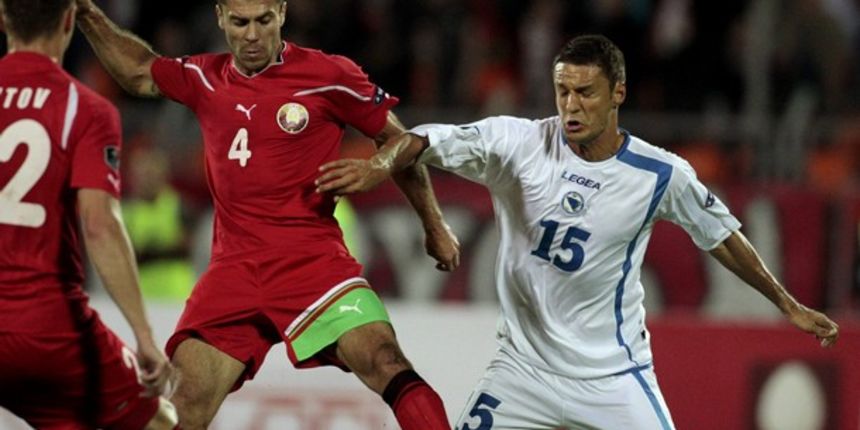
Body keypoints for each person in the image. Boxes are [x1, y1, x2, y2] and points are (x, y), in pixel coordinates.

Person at [315, 34, 841, 429]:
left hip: (613, 378)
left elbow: (722, 236)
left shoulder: (660, 175)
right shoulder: (518, 144)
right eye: (562, 91)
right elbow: (427, 139)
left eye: (586, 93)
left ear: (618, 93)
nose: (571, 106)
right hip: (523, 371)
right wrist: (380, 165)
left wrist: (786, 303)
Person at [73, 0, 460, 428]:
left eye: (263, 21)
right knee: (181, 405)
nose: (252, 35)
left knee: (385, 360)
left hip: (312, 264)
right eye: (240, 23)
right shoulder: (204, 76)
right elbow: (138, 70)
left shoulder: (329, 75)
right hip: (233, 273)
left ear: (282, 13)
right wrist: (88, 14)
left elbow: (401, 142)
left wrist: (430, 220)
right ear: (220, 17)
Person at [0, 0, 178, 428]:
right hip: (49, 328)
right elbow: (99, 226)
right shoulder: (86, 109)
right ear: (68, 21)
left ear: (3, 17)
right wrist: (145, 337)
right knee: (163, 422)